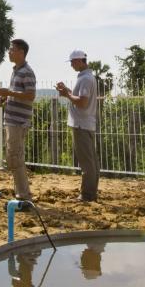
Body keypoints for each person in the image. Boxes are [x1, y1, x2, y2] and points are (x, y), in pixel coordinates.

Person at [55, 49, 99, 202]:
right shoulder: (87, 77)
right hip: (86, 123)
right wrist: (67, 91)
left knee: (86, 162)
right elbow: (80, 98)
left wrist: (66, 94)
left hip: (81, 124)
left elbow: (82, 101)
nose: (72, 65)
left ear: (80, 61)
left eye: (73, 62)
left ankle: (87, 195)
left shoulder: (85, 79)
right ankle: (91, 193)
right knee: (91, 161)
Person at [0, 38, 36, 202]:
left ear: (21, 52)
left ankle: (24, 196)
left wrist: (9, 94)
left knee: (16, 157)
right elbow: (19, 94)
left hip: (18, 122)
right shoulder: (16, 71)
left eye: (12, 49)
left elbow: (30, 95)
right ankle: (20, 192)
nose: (9, 52)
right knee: (13, 157)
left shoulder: (27, 71)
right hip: (12, 119)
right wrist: (6, 99)